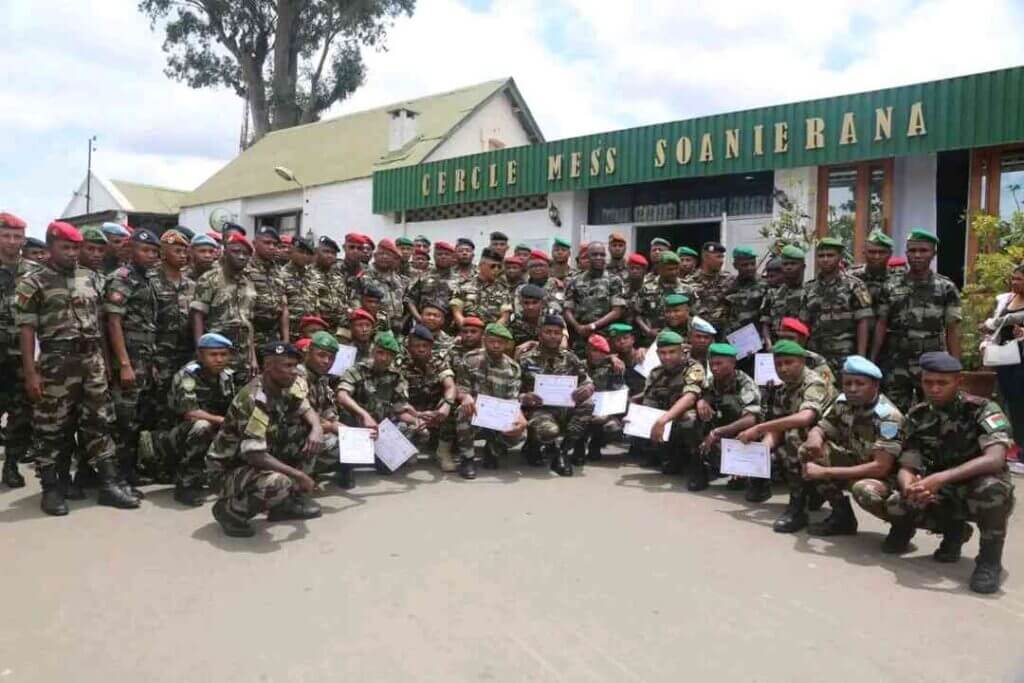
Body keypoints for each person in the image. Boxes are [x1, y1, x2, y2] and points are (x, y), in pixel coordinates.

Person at [17, 221, 138, 514]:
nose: (72, 253)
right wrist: (31, 373)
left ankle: (109, 484)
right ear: (50, 248)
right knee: (52, 428)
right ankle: (52, 488)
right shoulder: (33, 281)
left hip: (92, 361)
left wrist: (108, 364)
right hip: (56, 363)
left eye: (75, 248)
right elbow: (26, 330)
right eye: (66, 248)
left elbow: (100, 323)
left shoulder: (92, 278)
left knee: (99, 421)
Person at [881, 352, 1014, 594]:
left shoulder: (982, 409)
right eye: (928, 382)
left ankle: (988, 561)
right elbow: (908, 464)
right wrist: (911, 486)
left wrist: (940, 478)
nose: (934, 389)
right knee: (895, 502)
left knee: (991, 490)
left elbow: (995, 459)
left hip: (977, 488)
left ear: (959, 381)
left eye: (942, 383)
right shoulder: (918, 415)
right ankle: (953, 532)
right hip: (941, 491)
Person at [206, 341, 324, 537]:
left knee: (309, 437)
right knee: (280, 481)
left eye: (295, 365)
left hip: (261, 452)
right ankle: (231, 511)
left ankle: (282, 505)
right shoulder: (254, 399)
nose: (294, 371)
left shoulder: (284, 384)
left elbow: (304, 406)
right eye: (288, 365)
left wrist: (317, 428)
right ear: (268, 366)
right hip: (227, 469)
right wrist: (299, 475)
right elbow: (254, 455)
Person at [798, 355, 903, 536]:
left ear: (875, 386)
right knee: (808, 451)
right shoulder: (843, 402)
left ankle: (902, 526)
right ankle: (841, 516)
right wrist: (814, 438)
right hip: (856, 460)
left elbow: (881, 468)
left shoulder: (888, 417)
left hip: (887, 478)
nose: (852, 389)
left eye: (859, 384)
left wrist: (826, 472)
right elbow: (822, 427)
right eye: (848, 384)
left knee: (864, 491)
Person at [737, 340, 836, 529]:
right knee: (776, 451)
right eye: (778, 364)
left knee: (793, 437)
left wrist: (758, 429)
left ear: (802, 362)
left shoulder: (814, 382)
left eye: (789, 362)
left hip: (832, 440)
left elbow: (806, 417)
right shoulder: (785, 389)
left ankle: (798, 508)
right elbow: (777, 428)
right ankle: (812, 495)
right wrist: (760, 453)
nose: (783, 368)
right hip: (811, 443)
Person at [142, 333, 237, 506]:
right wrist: (224, 421)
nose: (219, 359)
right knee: (202, 426)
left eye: (223, 354)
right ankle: (186, 484)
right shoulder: (188, 375)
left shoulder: (226, 376)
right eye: (213, 355)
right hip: (174, 435)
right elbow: (190, 413)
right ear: (200, 355)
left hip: (211, 429)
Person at [872, 230, 961, 411]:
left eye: (923, 250)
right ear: (906, 254)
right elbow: (881, 324)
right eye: (912, 251)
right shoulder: (890, 286)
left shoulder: (946, 287)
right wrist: (872, 359)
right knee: (891, 412)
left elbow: (952, 329)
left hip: (932, 362)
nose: (917, 255)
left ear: (933, 254)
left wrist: (955, 366)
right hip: (897, 362)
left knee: (934, 412)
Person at [105, 228, 162, 493]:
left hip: (143, 358)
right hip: (128, 359)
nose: (151, 256)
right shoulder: (122, 278)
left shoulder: (146, 278)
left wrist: (150, 363)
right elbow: (113, 321)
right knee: (122, 421)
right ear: (131, 251)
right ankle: (115, 478)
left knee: (136, 420)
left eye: (154, 251)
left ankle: (129, 472)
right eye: (145, 250)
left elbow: (148, 324)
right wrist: (125, 364)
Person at [518, 314, 595, 475]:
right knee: (549, 431)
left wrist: (588, 388)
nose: (553, 336)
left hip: (565, 408)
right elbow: (512, 390)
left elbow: (586, 381)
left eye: (557, 333)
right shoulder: (525, 359)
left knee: (588, 404)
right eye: (548, 332)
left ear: (562, 335)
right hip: (539, 410)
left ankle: (562, 452)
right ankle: (534, 442)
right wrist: (524, 397)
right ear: (540, 333)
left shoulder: (570, 357)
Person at [336, 332, 417, 474]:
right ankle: (346, 466)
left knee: (411, 427)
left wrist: (416, 420)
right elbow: (342, 395)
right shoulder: (357, 370)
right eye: (380, 352)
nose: (384, 358)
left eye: (389, 355)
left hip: (380, 427)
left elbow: (399, 408)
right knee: (346, 418)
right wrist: (364, 415)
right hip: (356, 425)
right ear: (373, 350)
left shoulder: (396, 376)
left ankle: (380, 457)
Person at [453, 323, 527, 479]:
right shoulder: (471, 359)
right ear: (484, 340)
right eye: (492, 341)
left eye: (500, 342)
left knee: (521, 431)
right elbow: (460, 387)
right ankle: (468, 459)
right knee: (463, 412)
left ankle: (494, 448)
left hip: (499, 414)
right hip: (476, 411)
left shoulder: (513, 368)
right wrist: (465, 397)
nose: (496, 345)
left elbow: (512, 399)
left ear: (507, 344)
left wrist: (520, 418)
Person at [631, 330, 705, 474]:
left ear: (682, 351)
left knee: (688, 419)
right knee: (643, 410)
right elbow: (649, 401)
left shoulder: (693, 368)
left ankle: (697, 460)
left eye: (672, 352)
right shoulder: (656, 373)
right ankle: (662, 453)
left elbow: (690, 397)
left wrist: (662, 420)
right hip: (667, 417)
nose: (667, 357)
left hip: (689, 415)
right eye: (663, 353)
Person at [692, 342, 761, 492]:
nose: (714, 368)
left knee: (733, 407)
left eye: (719, 363)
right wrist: (702, 401)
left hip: (742, 433)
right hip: (721, 428)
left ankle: (743, 474)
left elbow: (752, 419)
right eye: (711, 364)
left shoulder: (746, 384)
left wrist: (718, 432)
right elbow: (702, 393)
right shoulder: (712, 382)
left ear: (732, 363)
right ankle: (700, 470)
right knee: (693, 419)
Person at [800, 237, 873, 374]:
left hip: (845, 355)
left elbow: (863, 322)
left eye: (830, 255)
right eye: (821, 256)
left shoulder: (854, 285)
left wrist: (861, 356)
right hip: (816, 356)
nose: (825, 259)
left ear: (840, 257)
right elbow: (804, 323)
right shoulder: (809, 288)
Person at [191, 233, 258, 379]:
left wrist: (253, 357)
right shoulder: (209, 279)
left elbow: (248, 323)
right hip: (217, 354)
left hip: (242, 356)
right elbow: (198, 316)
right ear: (225, 253)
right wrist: (200, 350)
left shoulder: (248, 283)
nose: (241, 257)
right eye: (236, 251)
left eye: (245, 254)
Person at [395, 324, 458, 471]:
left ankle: (443, 452)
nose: (421, 349)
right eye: (416, 345)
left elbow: (450, 386)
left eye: (425, 345)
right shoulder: (400, 364)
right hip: (411, 411)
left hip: (434, 411)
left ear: (431, 346)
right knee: (397, 415)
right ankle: (411, 447)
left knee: (452, 404)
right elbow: (397, 398)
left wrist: (446, 406)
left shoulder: (438, 361)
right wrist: (417, 415)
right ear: (409, 347)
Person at [0, 213, 32, 489]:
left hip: (22, 358)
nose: (12, 242)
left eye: (17, 236)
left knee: (21, 415)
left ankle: (10, 465)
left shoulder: (34, 272)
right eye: (6, 235)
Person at [980, 263, 1024, 451]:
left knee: (1020, 399)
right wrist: (986, 342)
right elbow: (996, 326)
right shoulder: (1006, 299)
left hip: (1022, 357)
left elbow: (1005, 320)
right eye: (1013, 278)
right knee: (1006, 397)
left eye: (1019, 279)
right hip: (1005, 356)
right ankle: (1011, 443)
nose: (1015, 282)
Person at [151, 229, 196, 409]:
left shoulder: (192, 285)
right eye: (177, 251)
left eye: (185, 251)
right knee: (156, 403)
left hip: (185, 353)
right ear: (163, 252)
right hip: (160, 354)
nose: (182, 255)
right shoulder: (151, 281)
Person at [295, 331, 346, 486]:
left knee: (347, 440)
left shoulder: (322, 378)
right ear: (308, 353)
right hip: (294, 431)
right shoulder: (297, 376)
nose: (326, 361)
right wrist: (331, 427)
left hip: (314, 428)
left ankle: (308, 473)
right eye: (321, 355)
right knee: (333, 442)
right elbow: (300, 416)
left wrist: (346, 430)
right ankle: (297, 480)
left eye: (331, 358)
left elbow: (328, 411)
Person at [564, 242, 626, 350]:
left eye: (602, 255)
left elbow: (617, 312)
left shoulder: (614, 280)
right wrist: (577, 327)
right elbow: (567, 309)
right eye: (595, 254)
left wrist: (592, 326)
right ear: (588, 257)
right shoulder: (575, 280)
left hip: (605, 338)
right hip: (579, 338)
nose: (599, 258)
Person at [848, 230, 894, 354]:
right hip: (854, 344)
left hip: (891, 346)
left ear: (890, 254)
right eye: (872, 252)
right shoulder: (852, 277)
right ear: (864, 252)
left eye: (881, 252)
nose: (876, 256)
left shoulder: (899, 278)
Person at [634, 252, 697, 342]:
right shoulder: (647, 288)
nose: (674, 272)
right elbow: (637, 314)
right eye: (670, 269)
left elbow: (694, 315)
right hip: (653, 339)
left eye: (676, 269)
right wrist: (648, 331)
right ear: (660, 269)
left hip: (680, 340)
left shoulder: (687, 289)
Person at [583, 333, 626, 462]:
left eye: (601, 352)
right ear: (587, 350)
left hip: (604, 411)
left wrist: (607, 415)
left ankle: (595, 445)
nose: (597, 354)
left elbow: (618, 395)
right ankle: (578, 446)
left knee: (612, 427)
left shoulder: (614, 368)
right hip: (581, 409)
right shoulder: (578, 365)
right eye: (594, 350)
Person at [450, 247, 512, 327]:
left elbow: (504, 317)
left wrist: (490, 334)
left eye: (499, 267)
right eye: (493, 266)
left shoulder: (503, 289)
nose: (496, 270)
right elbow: (457, 312)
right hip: (466, 331)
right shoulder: (463, 285)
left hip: (491, 333)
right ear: (481, 265)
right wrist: (466, 330)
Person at [760, 245, 806, 347]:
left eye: (793, 263)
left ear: (803, 266)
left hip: (800, 348)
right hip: (776, 348)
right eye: (785, 264)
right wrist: (769, 345)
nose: (788, 267)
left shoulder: (809, 292)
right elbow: (765, 323)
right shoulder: (773, 294)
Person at [405, 241, 458, 326]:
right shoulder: (423, 276)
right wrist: (418, 318)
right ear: (434, 256)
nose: (443, 257)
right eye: (439, 254)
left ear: (452, 257)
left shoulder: (459, 280)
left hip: (448, 327)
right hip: (423, 325)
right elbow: (409, 299)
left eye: (446, 254)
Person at [282, 235, 324, 341]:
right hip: (290, 332)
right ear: (291, 250)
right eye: (300, 252)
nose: (304, 256)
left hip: (309, 333)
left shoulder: (313, 276)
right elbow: (283, 310)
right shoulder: (281, 274)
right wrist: (286, 340)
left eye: (307, 253)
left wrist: (320, 334)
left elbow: (316, 306)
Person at [775, 317, 836, 387]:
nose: (785, 342)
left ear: (802, 341)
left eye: (790, 338)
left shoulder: (815, 360)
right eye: (781, 338)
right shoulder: (775, 357)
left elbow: (828, 388)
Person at [688, 241, 734, 333]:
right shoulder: (689, 281)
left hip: (724, 333)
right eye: (718, 257)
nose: (721, 261)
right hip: (699, 334)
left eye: (722, 257)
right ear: (705, 257)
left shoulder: (729, 280)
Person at [314, 236, 348, 334]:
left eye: (333, 253)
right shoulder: (309, 274)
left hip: (339, 329)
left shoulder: (338, 275)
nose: (330, 255)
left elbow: (344, 301)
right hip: (319, 327)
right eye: (326, 252)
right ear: (317, 252)